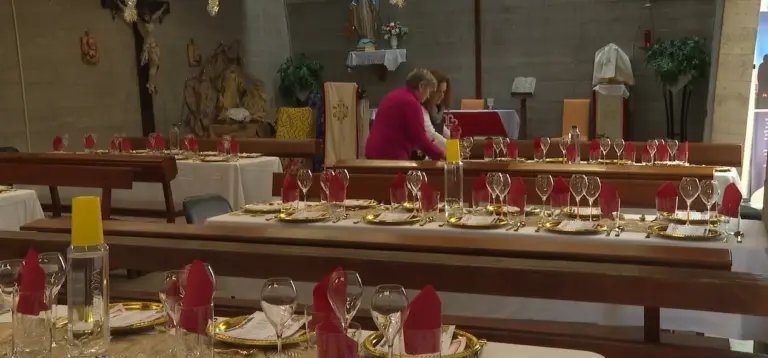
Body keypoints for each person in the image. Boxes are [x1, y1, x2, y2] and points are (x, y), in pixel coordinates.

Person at [365, 69, 445, 160]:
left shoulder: (393, 95)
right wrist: (443, 155)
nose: (428, 96)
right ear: (421, 86)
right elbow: (420, 139)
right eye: (429, 91)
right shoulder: (412, 103)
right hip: (391, 157)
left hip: (372, 153)